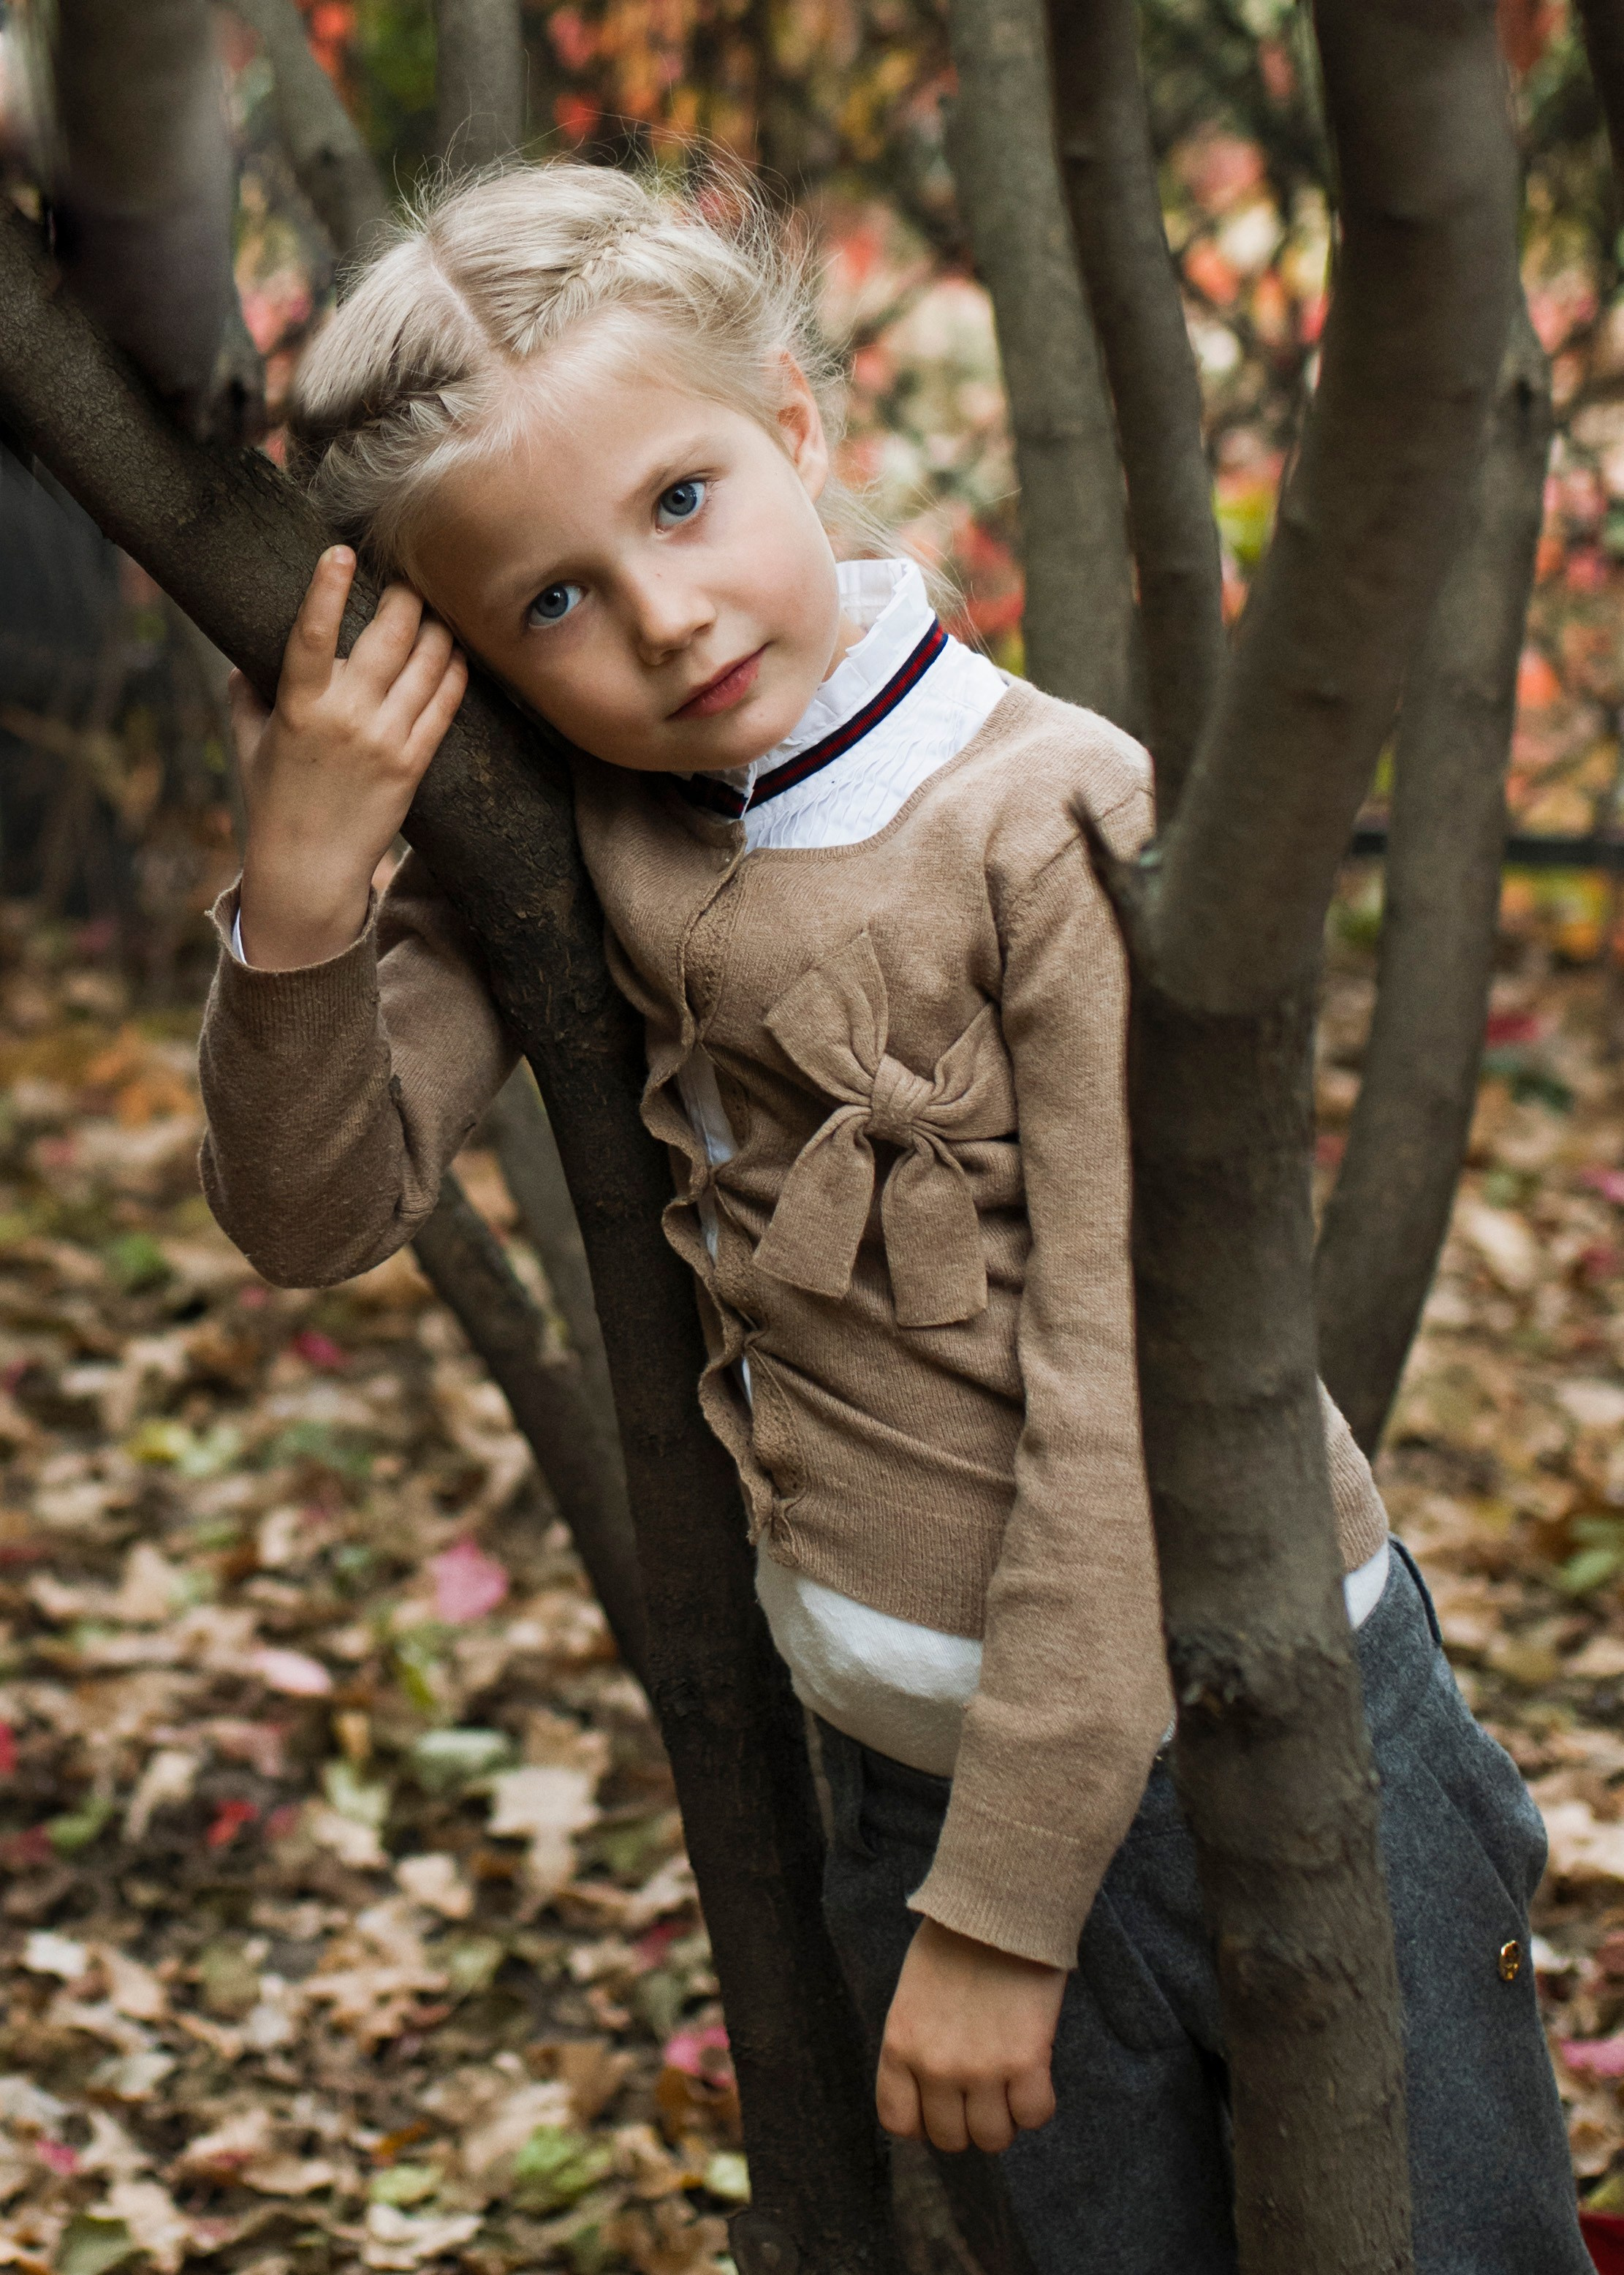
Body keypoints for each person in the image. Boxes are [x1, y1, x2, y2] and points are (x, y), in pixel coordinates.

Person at [197, 160, 1588, 2273]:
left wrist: (1008, 1915)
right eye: (549, 598)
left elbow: (1143, 1412)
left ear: (796, 424)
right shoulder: (591, 824)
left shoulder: (1055, 825)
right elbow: (314, 1207)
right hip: (913, 1790)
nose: (661, 618)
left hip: (1253, 1769)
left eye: (681, 502)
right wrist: (304, 896)